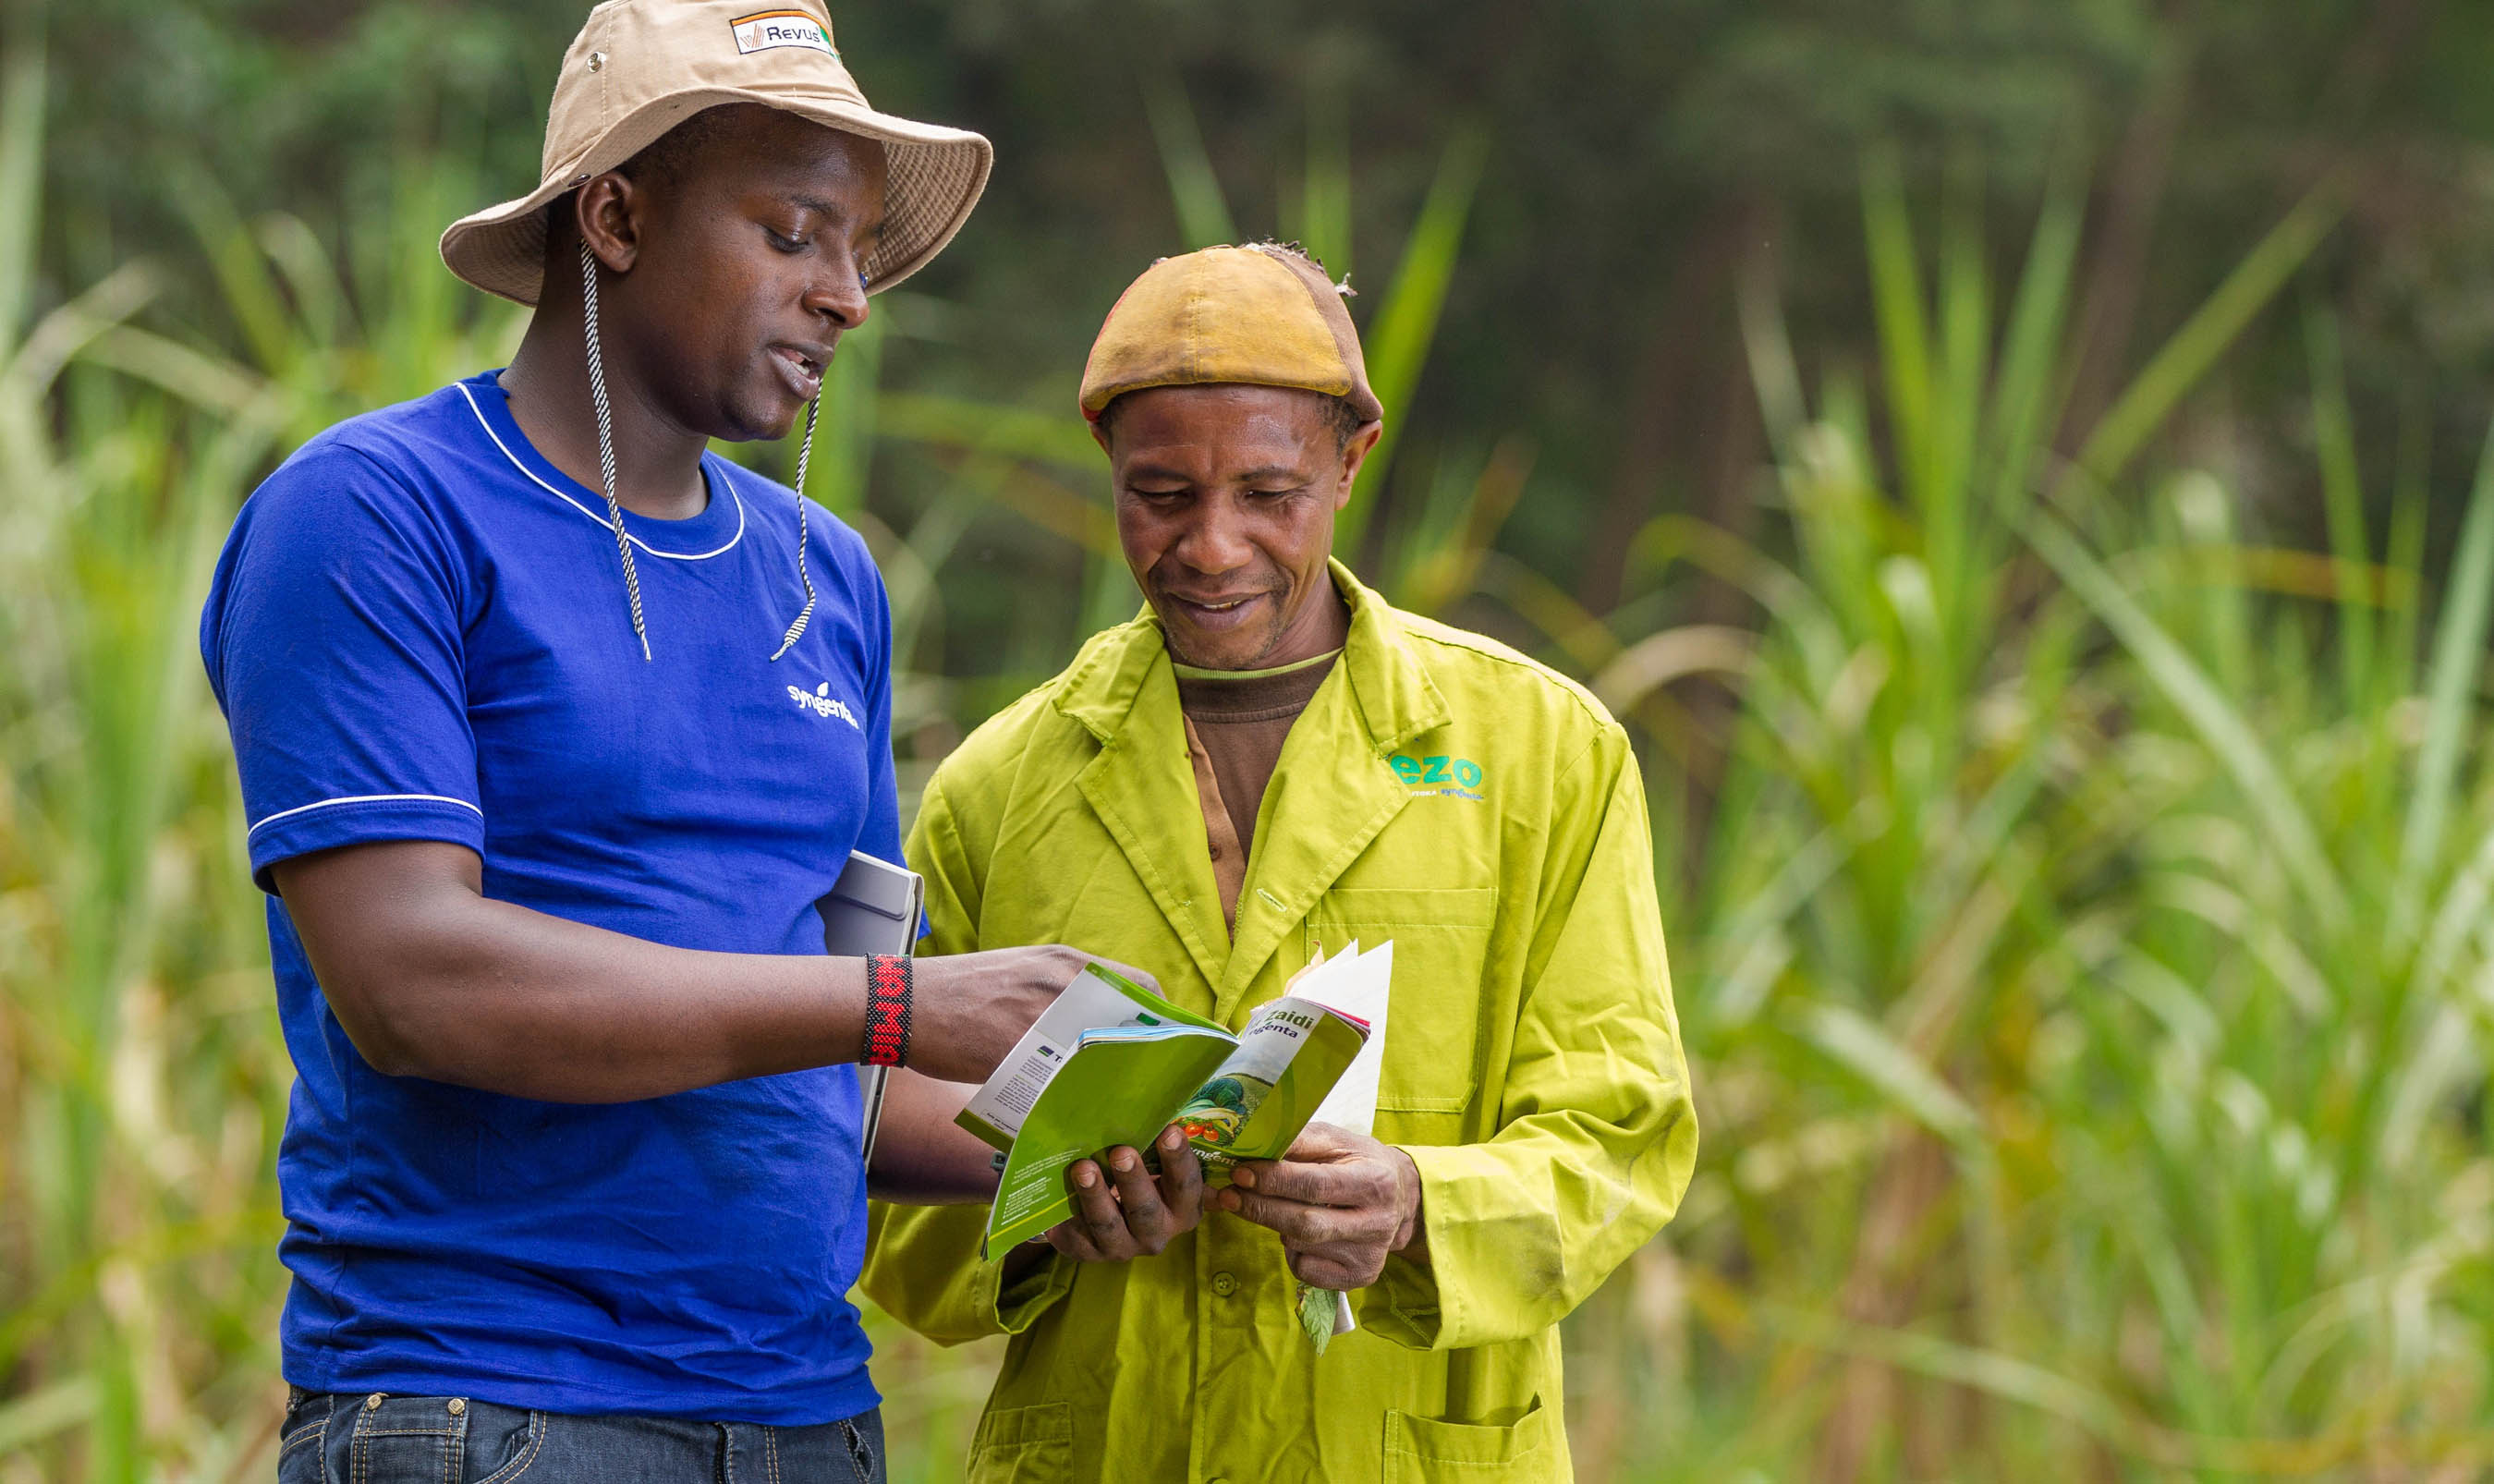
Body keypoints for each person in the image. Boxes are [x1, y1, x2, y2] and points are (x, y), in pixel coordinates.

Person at [200, 3, 1117, 1478]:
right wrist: (892, 1002)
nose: (848, 298)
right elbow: (411, 983)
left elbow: (847, 1072)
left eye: (859, 252)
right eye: (795, 234)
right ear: (617, 218)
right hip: (489, 1403)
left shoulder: (829, 581)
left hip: (806, 1417)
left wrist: (1093, 1141)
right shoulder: (375, 512)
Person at [863, 243, 1699, 1483]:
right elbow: (873, 1180)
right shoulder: (997, 789)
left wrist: (1418, 1204)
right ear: (1106, 463)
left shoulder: (1541, 754)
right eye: (1160, 494)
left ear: (1352, 462)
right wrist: (1040, 1219)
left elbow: (1623, 1132)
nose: (1212, 546)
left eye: (1269, 492)